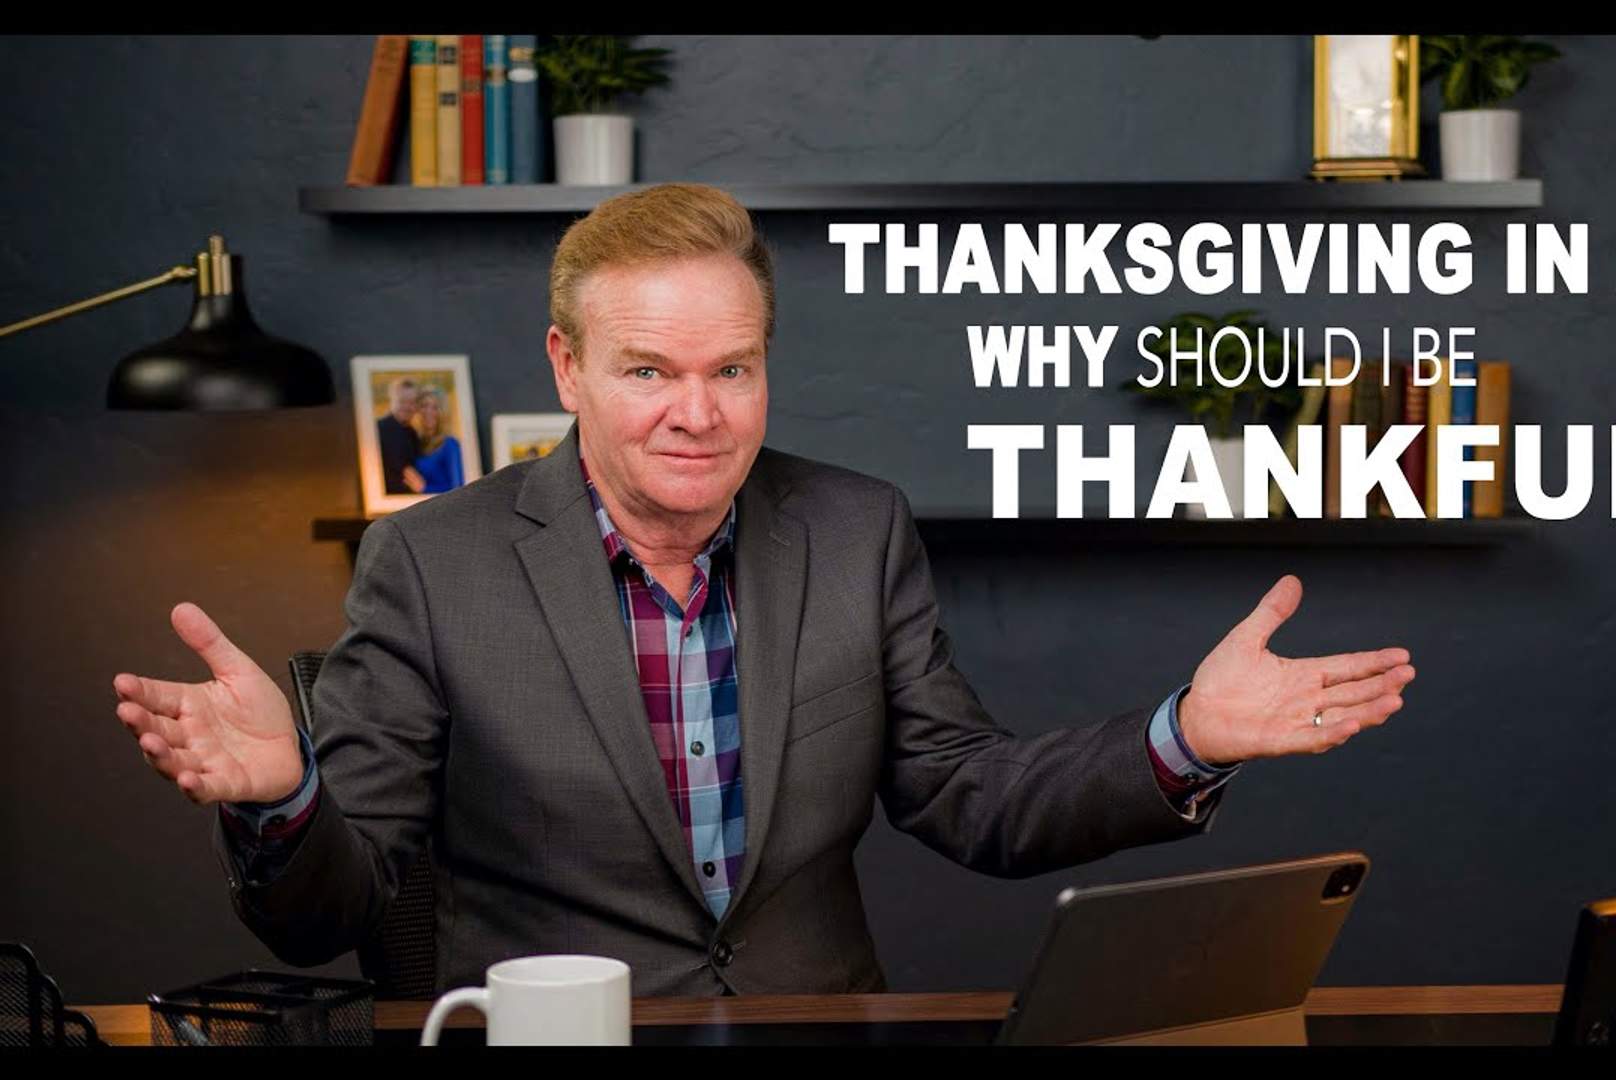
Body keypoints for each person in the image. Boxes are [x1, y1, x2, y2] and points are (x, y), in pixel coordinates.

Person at [111, 184, 1415, 995]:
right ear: (567, 368)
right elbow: (327, 915)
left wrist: (1181, 736)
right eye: (648, 372)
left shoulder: (854, 529)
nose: (697, 413)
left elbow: (968, 797)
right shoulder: (432, 564)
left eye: (731, 369)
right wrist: (286, 799)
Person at [408, 385, 464, 494]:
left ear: (442, 412)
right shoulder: (415, 442)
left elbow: (458, 490)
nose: (428, 411)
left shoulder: (450, 444)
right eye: (424, 406)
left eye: (435, 407)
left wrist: (425, 489)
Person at [375, 378, 423, 495]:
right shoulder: (378, 429)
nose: (407, 407)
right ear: (391, 401)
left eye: (411, 402)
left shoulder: (412, 433)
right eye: (402, 401)